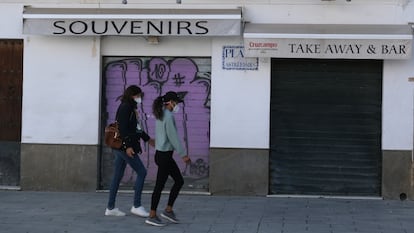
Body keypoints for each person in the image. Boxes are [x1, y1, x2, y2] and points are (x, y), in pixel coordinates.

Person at [105, 85, 154, 217]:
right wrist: (127, 147)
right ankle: (137, 206)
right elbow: (123, 129)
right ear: (133, 95)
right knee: (142, 172)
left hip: (122, 147)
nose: (140, 98)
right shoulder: (125, 107)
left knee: (117, 176)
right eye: (138, 95)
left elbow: (136, 128)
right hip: (124, 147)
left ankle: (110, 208)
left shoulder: (131, 108)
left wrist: (148, 139)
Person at [145, 91, 191, 227]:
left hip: (161, 154)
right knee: (160, 185)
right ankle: (152, 215)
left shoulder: (161, 114)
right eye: (176, 102)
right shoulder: (168, 116)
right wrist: (183, 154)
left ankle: (168, 210)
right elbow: (173, 137)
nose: (177, 105)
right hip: (164, 156)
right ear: (170, 102)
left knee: (178, 181)